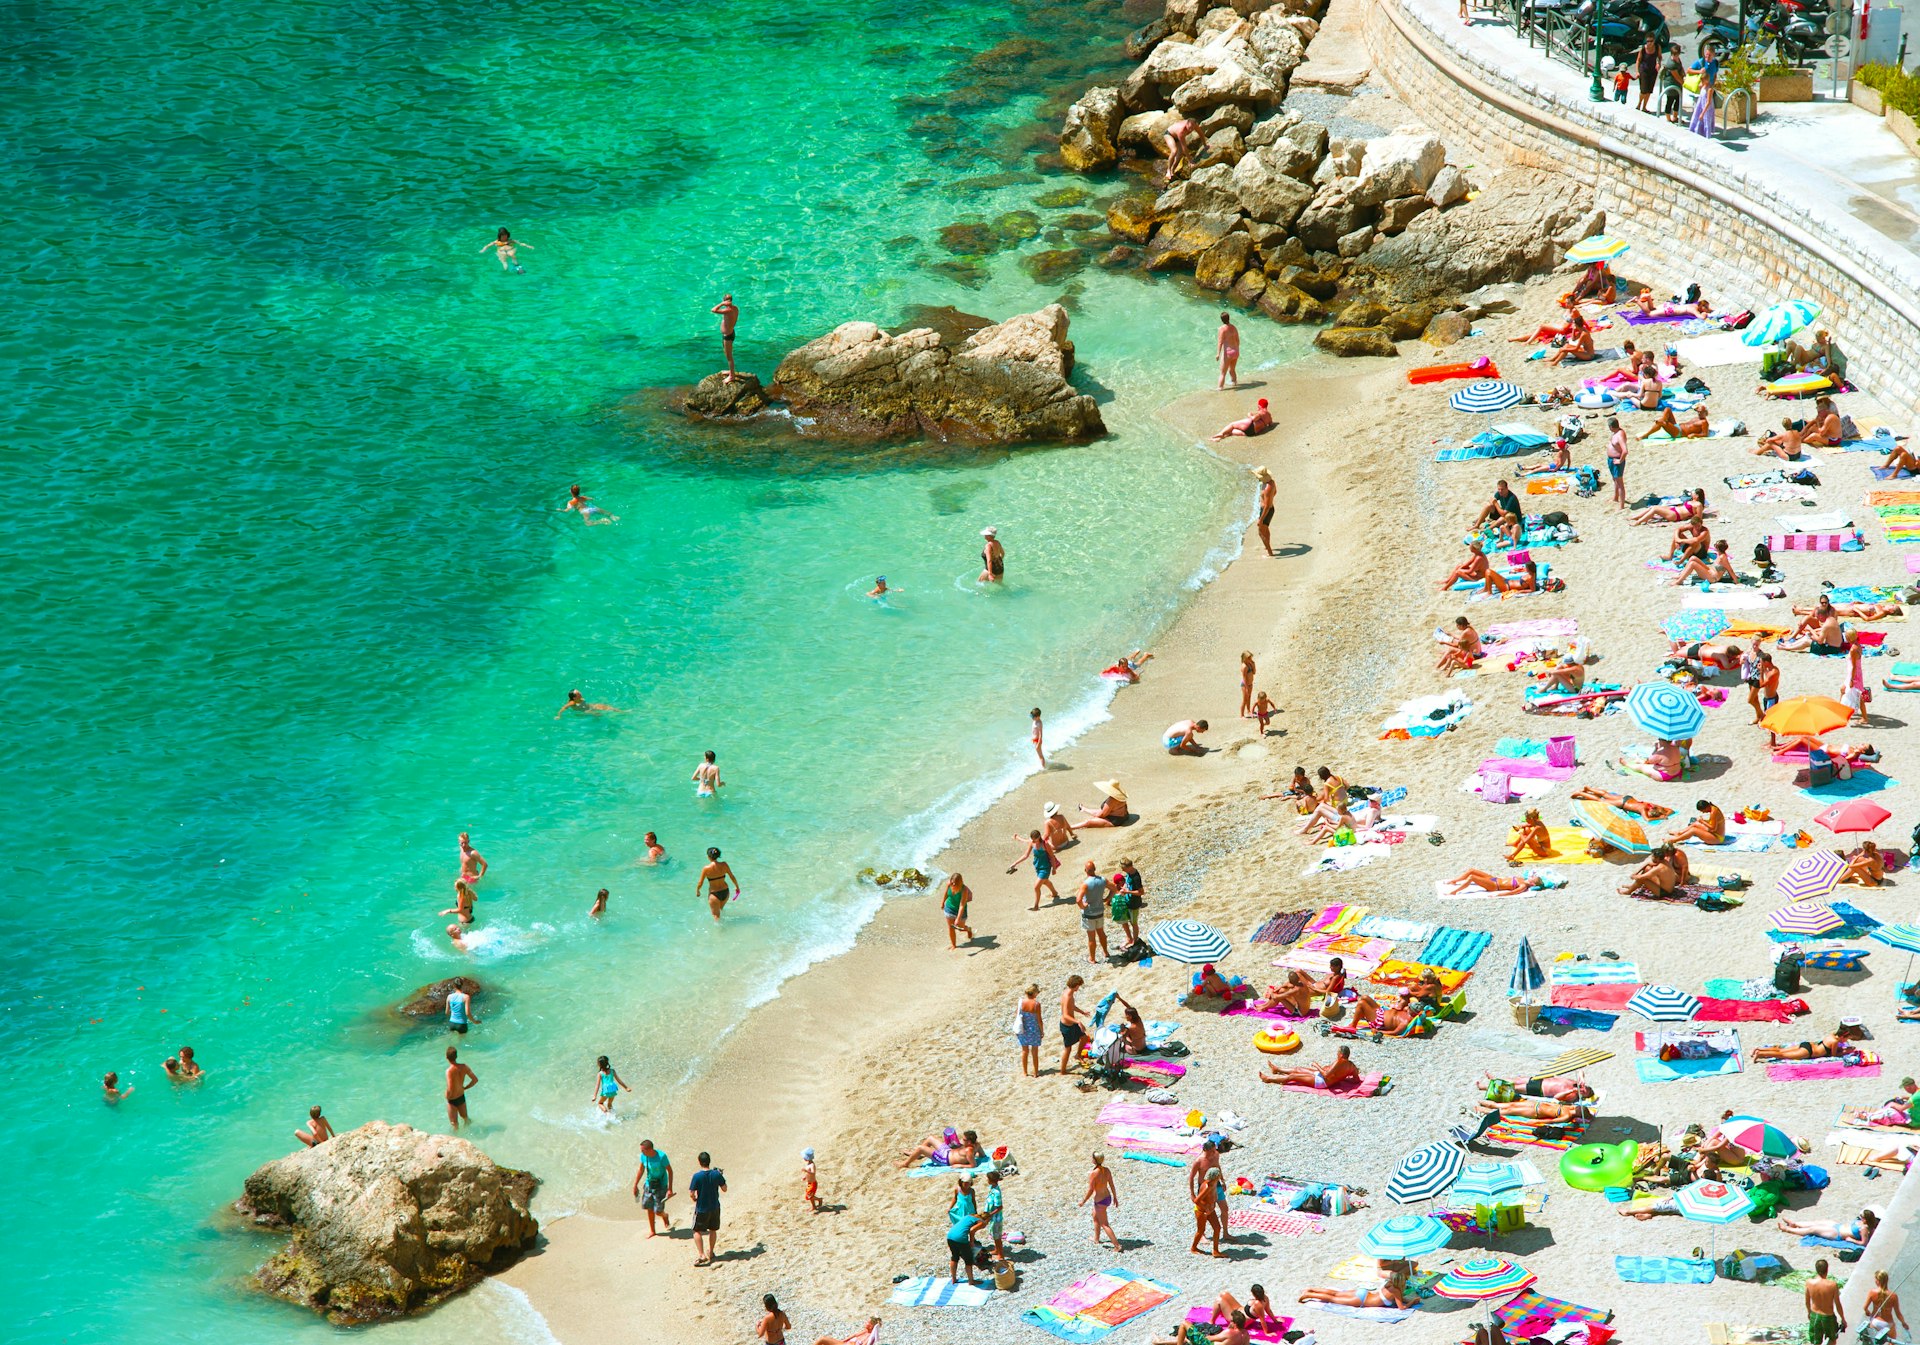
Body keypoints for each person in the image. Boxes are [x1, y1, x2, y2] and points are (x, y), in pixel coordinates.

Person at [1299, 1263, 1412, 1308]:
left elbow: (1400, 1299)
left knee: (1336, 1293)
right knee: (1333, 1298)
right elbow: (1401, 1307)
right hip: (1362, 1300)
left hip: (1364, 1292)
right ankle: (1307, 1295)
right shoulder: (1396, 1290)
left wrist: (1406, 1299)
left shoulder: (1388, 1283)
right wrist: (1413, 1302)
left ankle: (1310, 1289)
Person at [1262, 1043, 1359, 1089]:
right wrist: (1342, 1078)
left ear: (1341, 1055)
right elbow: (1356, 1080)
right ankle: (1277, 1069)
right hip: (1321, 1076)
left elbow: (1326, 1075)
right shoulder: (1352, 1066)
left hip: (1322, 1081)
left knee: (1293, 1076)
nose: (1337, 1054)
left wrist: (1316, 1065)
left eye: (1338, 1053)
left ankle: (1269, 1079)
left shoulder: (1339, 1062)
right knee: (1298, 1069)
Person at [688, 1151, 727, 1266]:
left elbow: (691, 1193)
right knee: (713, 1230)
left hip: (702, 1208)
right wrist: (720, 1176)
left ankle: (701, 1254)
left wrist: (694, 1199)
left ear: (699, 1162)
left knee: (696, 1231)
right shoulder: (716, 1174)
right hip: (715, 1206)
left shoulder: (697, 1176)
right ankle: (711, 1251)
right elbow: (724, 1189)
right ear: (709, 1161)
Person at [1752, 1023, 1869, 1060]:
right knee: (1782, 1055)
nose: (1845, 1041)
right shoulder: (1835, 1042)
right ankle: (1760, 1054)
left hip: (1807, 1045)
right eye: (1846, 1039)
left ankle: (1759, 1049)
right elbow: (1833, 1055)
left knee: (1781, 1050)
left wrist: (1843, 1048)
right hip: (1808, 1052)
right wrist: (1844, 1052)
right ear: (1844, 1036)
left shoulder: (1831, 1035)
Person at [1008, 829, 1060, 910]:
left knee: (1036, 887)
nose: (1033, 841)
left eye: (1034, 839)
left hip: (1045, 868)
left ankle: (1036, 906)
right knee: (1045, 882)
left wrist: (1054, 868)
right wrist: (1015, 863)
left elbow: (1052, 856)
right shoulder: (1031, 843)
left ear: (1039, 837)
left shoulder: (1045, 844)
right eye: (1031, 839)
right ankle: (1054, 893)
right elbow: (1026, 855)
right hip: (1037, 867)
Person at [945, 1174, 983, 1284]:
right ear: (961, 1182)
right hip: (962, 1212)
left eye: (968, 1183)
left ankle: (954, 1279)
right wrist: (950, 1208)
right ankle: (970, 1280)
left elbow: (974, 1201)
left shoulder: (972, 1191)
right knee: (967, 1259)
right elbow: (955, 1198)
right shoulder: (957, 1190)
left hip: (953, 1233)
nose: (966, 1185)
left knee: (955, 1256)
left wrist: (975, 1211)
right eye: (965, 1183)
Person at [632, 1139, 674, 1235]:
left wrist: (670, 1189)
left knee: (658, 1211)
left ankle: (665, 1215)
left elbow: (670, 1171)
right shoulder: (643, 1156)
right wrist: (635, 1185)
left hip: (661, 1185)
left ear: (650, 1149)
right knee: (649, 1207)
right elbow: (641, 1170)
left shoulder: (662, 1156)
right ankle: (653, 1231)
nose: (641, 1152)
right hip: (649, 1184)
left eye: (643, 1150)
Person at [1081, 1153, 1122, 1252]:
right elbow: (1111, 1184)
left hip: (1100, 1201)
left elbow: (1091, 1190)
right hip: (1107, 1197)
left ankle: (1117, 1246)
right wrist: (1115, 1197)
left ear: (1095, 1160)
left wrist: (1083, 1201)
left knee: (1104, 1224)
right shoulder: (1106, 1170)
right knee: (1095, 1216)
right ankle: (1096, 1239)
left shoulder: (1094, 1173)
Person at [1778, 1209, 1878, 1247]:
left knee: (1813, 1229)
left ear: (1865, 1220)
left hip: (1837, 1234)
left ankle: (1788, 1229)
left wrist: (1851, 1240)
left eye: (1862, 1217)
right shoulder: (1862, 1223)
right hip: (1838, 1226)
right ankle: (1795, 1224)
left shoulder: (1864, 1229)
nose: (1860, 1218)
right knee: (1816, 1222)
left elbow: (1864, 1243)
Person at [1076, 864, 1110, 964]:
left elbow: (1078, 900)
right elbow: (1114, 889)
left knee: (1091, 937)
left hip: (1089, 914)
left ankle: (1092, 958)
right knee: (1101, 933)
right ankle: (1105, 952)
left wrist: (1083, 906)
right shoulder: (1103, 880)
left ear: (1085, 870)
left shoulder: (1085, 884)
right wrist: (1107, 899)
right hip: (1099, 911)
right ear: (1095, 869)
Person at [1191, 1161, 1226, 1256]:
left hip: (1210, 1210)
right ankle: (1193, 1248)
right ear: (1215, 1177)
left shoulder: (1214, 1184)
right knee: (1201, 1230)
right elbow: (1197, 1200)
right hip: (1201, 1211)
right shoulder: (1207, 1186)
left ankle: (1215, 1251)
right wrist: (1206, 1208)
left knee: (1217, 1228)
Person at [1863, 1268, 1906, 1342]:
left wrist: (1867, 1311)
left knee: (1873, 1342)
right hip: (1888, 1324)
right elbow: (1898, 1313)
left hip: (1875, 1321)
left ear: (1877, 1281)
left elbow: (1865, 1307)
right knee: (1892, 1341)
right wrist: (1903, 1323)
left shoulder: (1872, 1292)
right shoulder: (1893, 1296)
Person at [1672, 538, 1736, 586]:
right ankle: (1681, 576)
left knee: (1693, 564)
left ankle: (1679, 581)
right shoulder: (1720, 555)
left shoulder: (1723, 558)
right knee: (1693, 558)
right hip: (1709, 570)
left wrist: (1737, 582)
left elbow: (1730, 570)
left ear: (1718, 548)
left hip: (1712, 578)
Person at [697, 847, 739, 921]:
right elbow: (732, 877)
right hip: (725, 891)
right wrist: (737, 887)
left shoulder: (706, 868)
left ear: (709, 856)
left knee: (715, 916)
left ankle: (720, 932)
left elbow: (700, 883)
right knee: (720, 909)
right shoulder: (724, 864)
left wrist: (698, 890)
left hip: (714, 894)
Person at [1444, 868, 1557, 894]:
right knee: (1471, 871)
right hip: (1494, 879)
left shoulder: (1523, 885)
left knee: (1472, 878)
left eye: (1533, 878)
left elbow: (1512, 893)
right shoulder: (1523, 879)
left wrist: (1498, 895)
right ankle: (1455, 881)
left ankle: (1455, 891)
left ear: (1532, 883)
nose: (1531, 876)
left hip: (1494, 885)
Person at [1111, 859, 1146, 945]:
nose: (1123, 870)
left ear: (1129, 867)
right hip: (1127, 901)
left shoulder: (1136, 877)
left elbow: (1141, 892)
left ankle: (1135, 941)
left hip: (1134, 904)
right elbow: (1128, 883)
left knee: (1134, 923)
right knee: (1125, 920)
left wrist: (1127, 892)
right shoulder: (1129, 873)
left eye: (1124, 868)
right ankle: (1129, 938)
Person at [1631, 488, 1707, 525]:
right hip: (1674, 510)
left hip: (1676, 515)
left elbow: (1698, 517)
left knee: (1655, 509)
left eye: (1693, 493)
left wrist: (1688, 519)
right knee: (1653, 506)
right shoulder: (1692, 500)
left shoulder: (1698, 505)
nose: (1691, 494)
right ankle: (1636, 517)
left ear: (1697, 496)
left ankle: (1638, 522)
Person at [1015, 984, 1045, 1078]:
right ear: (1034, 993)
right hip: (1034, 1029)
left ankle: (1025, 1072)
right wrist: (1042, 1031)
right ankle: (1035, 1072)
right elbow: (1039, 1019)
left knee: (1024, 1051)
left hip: (1023, 1029)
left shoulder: (1021, 1002)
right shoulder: (1036, 1004)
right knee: (1034, 1052)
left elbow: (1016, 1014)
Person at [1060, 974, 1088, 1072]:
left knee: (1084, 1038)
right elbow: (1065, 1015)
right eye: (1079, 986)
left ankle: (1078, 1055)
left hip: (1072, 1023)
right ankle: (1062, 1071)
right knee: (1068, 1049)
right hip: (1067, 1026)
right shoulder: (1067, 996)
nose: (1079, 988)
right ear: (1076, 985)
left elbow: (1071, 1006)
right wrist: (1078, 1021)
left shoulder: (1068, 992)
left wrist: (1082, 1012)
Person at [445, 1045, 477, 1130]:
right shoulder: (464, 1066)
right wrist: (465, 1087)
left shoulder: (449, 1071)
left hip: (452, 1100)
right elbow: (475, 1080)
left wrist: (447, 1096)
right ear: (456, 1056)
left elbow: (450, 1088)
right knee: (465, 1118)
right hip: (461, 1096)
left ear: (446, 1057)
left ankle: (456, 1139)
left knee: (454, 1124)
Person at [1690, 45, 1719, 137]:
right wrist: (1699, 72)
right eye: (1706, 55)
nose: (1707, 57)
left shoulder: (1715, 63)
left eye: (1709, 55)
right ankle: (1696, 130)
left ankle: (1704, 131)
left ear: (1713, 55)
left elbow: (1714, 74)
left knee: (1706, 113)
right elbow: (1689, 70)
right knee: (1697, 110)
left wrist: (1713, 84)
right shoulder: (1701, 62)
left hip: (1708, 90)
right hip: (1700, 90)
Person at [939, 872, 973, 949]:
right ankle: (953, 945)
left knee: (960, 928)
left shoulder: (964, 890)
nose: (953, 884)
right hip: (949, 908)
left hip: (960, 910)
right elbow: (946, 894)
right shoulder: (949, 884)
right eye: (952, 882)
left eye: (955, 883)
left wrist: (958, 918)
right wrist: (942, 902)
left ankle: (968, 929)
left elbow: (962, 905)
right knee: (951, 927)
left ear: (960, 882)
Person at [711, 294, 740, 382]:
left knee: (729, 357)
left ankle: (732, 376)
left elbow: (713, 310)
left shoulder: (728, 310)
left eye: (728, 300)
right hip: (730, 333)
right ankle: (731, 371)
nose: (727, 302)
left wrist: (721, 304)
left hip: (728, 336)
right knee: (727, 354)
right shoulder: (735, 308)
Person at [1163, 117, 1201, 182]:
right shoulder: (1181, 130)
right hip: (1169, 135)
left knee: (1180, 154)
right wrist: (1190, 161)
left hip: (1177, 137)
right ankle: (1168, 170)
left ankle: (1172, 170)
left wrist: (1205, 145)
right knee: (1174, 151)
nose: (1190, 130)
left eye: (1192, 128)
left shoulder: (1195, 126)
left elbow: (1201, 134)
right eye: (1189, 127)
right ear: (1187, 124)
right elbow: (1184, 148)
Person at [982, 1169, 1007, 1261]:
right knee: (994, 1235)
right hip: (993, 1217)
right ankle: (997, 1250)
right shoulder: (992, 1188)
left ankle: (1001, 1254)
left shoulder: (996, 1192)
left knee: (997, 1237)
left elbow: (999, 1207)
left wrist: (990, 1214)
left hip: (996, 1218)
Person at [1253, 466, 1277, 555]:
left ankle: (1270, 552)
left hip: (1266, 511)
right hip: (1269, 509)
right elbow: (1275, 492)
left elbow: (1266, 506)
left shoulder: (1267, 489)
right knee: (1265, 529)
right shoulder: (1272, 482)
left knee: (1261, 532)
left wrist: (1261, 519)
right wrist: (1270, 498)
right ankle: (1267, 547)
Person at [1660, 42, 1687, 121]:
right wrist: (1684, 83)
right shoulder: (1671, 64)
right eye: (1674, 55)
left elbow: (1681, 68)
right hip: (1671, 83)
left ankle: (1675, 117)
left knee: (1678, 100)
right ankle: (1668, 118)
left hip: (1677, 84)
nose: (1676, 57)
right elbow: (1676, 76)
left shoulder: (1677, 59)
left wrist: (1684, 76)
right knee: (1670, 100)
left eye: (1677, 55)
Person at [1217, 312, 1241, 389]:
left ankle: (1220, 388)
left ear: (1221, 320)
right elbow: (1238, 340)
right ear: (1229, 318)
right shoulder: (1234, 327)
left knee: (1222, 373)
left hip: (1228, 353)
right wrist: (1236, 349)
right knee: (1232, 370)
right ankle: (1234, 382)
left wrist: (1218, 354)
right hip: (1236, 351)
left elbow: (1220, 342)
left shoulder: (1222, 329)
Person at [1636, 36, 1660, 111]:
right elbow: (1638, 61)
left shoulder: (1657, 47)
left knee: (1649, 90)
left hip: (1653, 71)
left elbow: (1659, 57)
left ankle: (1644, 107)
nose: (1649, 43)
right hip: (1644, 70)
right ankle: (1639, 104)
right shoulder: (1643, 49)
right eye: (1647, 41)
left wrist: (1658, 63)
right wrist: (1637, 71)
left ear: (1654, 41)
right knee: (1643, 90)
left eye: (1651, 41)